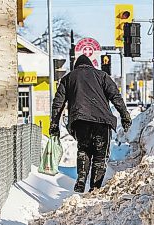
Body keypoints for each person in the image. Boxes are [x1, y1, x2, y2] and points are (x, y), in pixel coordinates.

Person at [49, 55, 132, 193]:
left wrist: (54, 124)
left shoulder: (68, 78)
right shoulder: (102, 76)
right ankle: (95, 187)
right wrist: (125, 116)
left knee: (84, 150)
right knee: (100, 155)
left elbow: (58, 103)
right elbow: (115, 96)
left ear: (76, 67)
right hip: (102, 121)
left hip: (80, 121)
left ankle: (81, 180)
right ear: (90, 66)